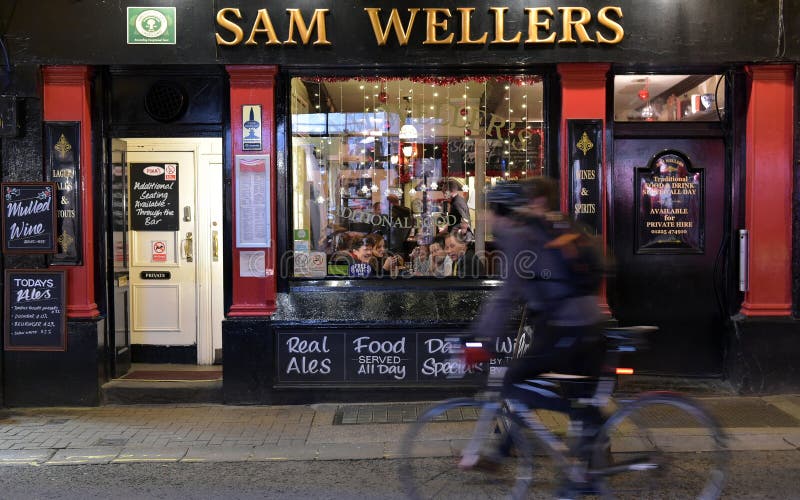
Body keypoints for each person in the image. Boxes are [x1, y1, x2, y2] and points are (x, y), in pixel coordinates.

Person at [463, 177, 605, 487]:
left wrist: (479, 340)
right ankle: (586, 474)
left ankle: (508, 453)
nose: (484, 217)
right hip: (584, 320)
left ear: (498, 212)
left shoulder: (516, 235)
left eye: (487, 210)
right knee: (577, 394)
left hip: (566, 324)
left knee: (514, 381)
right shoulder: (548, 226)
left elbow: (506, 294)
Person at [440, 178, 473, 243]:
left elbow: (465, 221)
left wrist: (445, 229)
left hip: (461, 240)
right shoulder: (458, 200)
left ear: (449, 191)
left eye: (444, 192)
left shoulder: (456, 203)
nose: (444, 195)